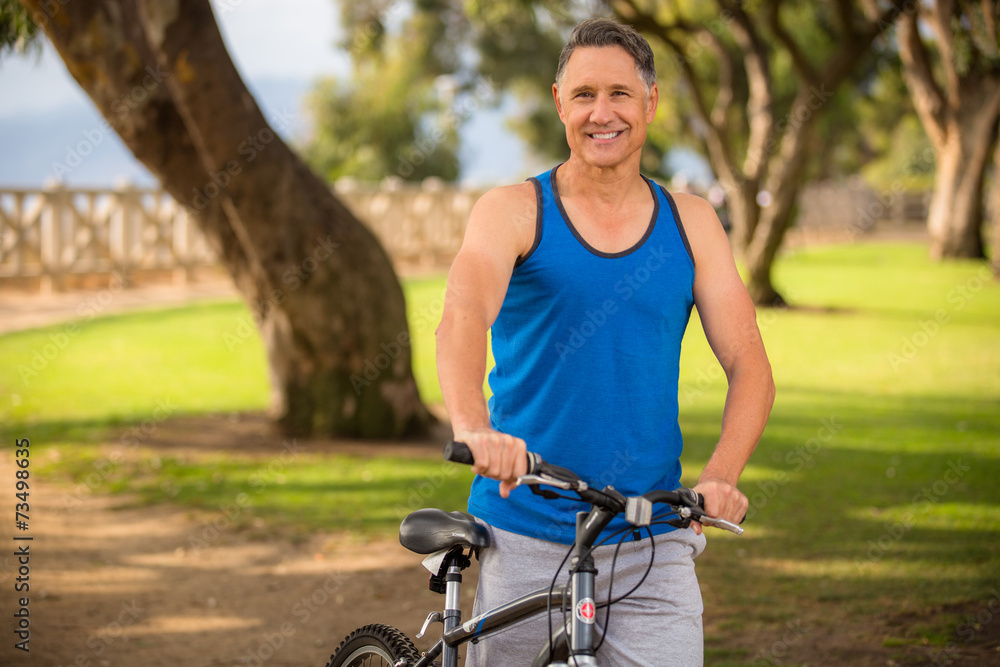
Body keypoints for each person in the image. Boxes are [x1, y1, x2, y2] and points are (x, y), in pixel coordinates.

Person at [435, 16, 774, 666]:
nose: (602, 112)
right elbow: (463, 315)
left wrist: (722, 475)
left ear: (651, 102)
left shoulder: (692, 222)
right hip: (526, 530)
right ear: (559, 102)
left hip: (653, 537)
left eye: (620, 93)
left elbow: (749, 363)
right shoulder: (514, 211)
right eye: (584, 94)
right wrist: (475, 427)